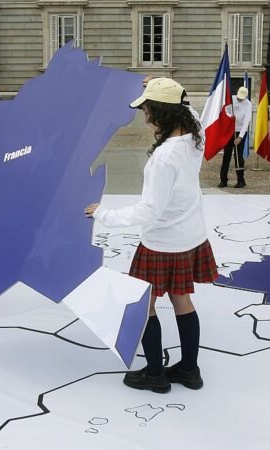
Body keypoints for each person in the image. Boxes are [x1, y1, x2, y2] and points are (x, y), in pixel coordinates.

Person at [85, 77, 218, 394]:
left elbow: (149, 211)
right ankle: (189, 370)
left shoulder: (164, 157)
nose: (145, 117)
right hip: (190, 236)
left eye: (148, 109)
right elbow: (191, 110)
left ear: (163, 113)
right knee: (182, 300)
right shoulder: (193, 137)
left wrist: (103, 214)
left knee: (145, 306)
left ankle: (156, 374)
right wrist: (169, 86)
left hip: (161, 243)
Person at [218, 86, 251, 188]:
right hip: (230, 130)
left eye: (242, 98)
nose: (240, 99)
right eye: (239, 97)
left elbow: (246, 121)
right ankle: (223, 180)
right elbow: (225, 110)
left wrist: (240, 137)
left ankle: (241, 180)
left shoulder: (248, 104)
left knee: (238, 157)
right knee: (226, 156)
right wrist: (229, 116)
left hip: (240, 131)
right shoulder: (231, 99)